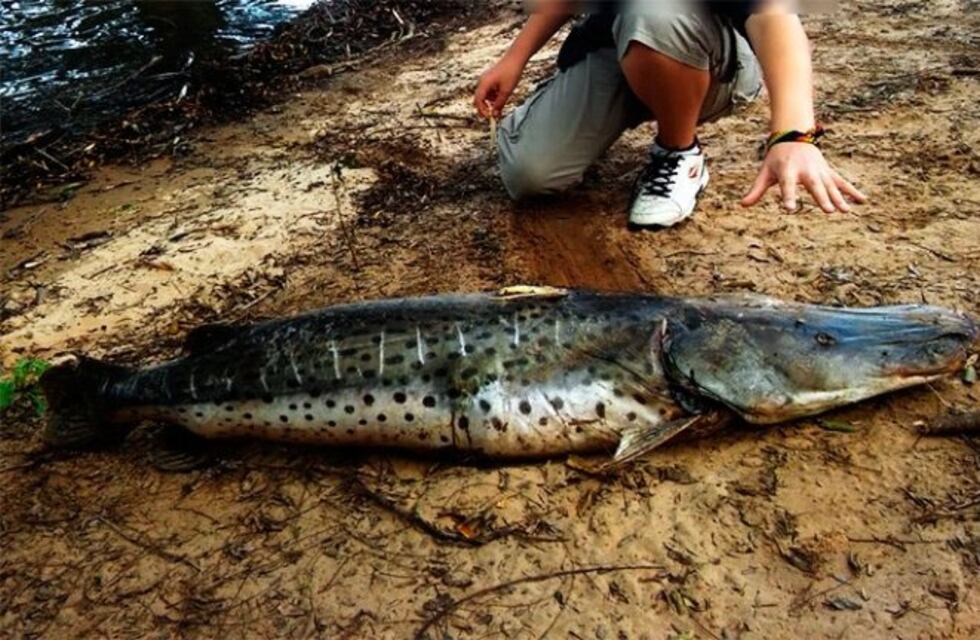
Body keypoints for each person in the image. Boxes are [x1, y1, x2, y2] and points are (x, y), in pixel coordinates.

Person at [474, 0, 866, 229]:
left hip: (708, 57)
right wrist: (514, 60)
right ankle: (623, 98)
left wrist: (793, 134)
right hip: (617, 47)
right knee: (530, 172)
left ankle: (678, 152)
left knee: (654, 11)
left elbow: (775, 18)